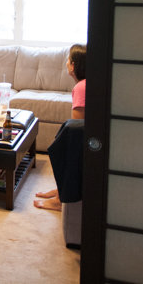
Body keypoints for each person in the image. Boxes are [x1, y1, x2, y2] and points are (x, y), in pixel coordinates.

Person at [34, 43, 86, 211]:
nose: (66, 63)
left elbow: (77, 128)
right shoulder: (87, 83)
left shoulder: (81, 87)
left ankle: (60, 200)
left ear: (73, 65)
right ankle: (60, 190)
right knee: (61, 135)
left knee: (59, 145)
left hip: (85, 140)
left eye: (68, 60)